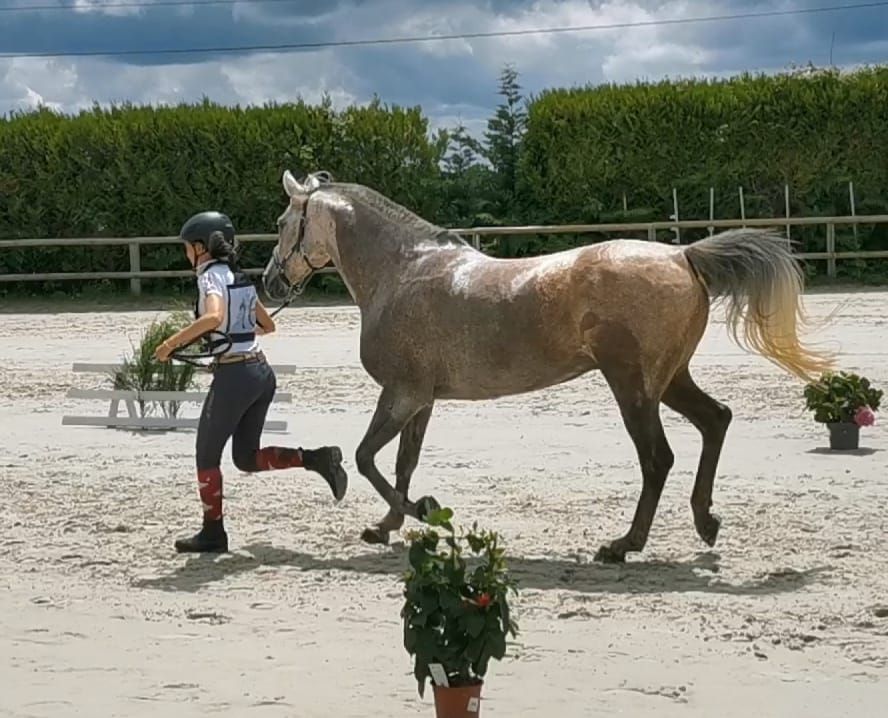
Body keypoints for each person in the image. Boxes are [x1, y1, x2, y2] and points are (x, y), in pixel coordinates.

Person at [154, 210, 348, 554]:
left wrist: (171, 344)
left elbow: (213, 316)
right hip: (260, 374)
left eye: (188, 247)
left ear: (201, 248)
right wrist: (229, 341)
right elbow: (267, 326)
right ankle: (315, 459)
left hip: (236, 377)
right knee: (245, 457)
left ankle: (213, 533)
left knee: (206, 456)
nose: (186, 253)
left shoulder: (210, 278)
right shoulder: (239, 277)